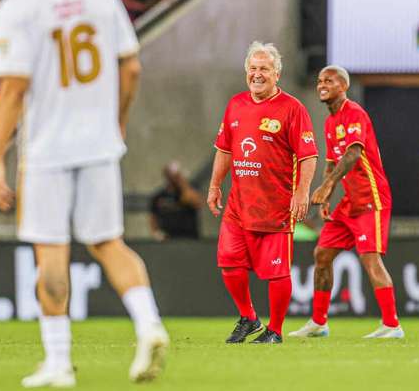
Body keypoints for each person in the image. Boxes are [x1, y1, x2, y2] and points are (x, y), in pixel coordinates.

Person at [0, 0, 167, 387]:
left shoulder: (18, 5)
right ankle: (148, 324)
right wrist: (119, 121)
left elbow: (13, 88)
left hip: (46, 148)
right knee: (109, 242)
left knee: (52, 254)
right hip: (99, 141)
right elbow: (132, 67)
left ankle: (59, 363)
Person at [207, 42, 318, 344]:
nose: (257, 74)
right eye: (253, 69)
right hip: (238, 205)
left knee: (277, 273)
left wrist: (301, 192)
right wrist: (216, 184)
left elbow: (308, 155)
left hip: (275, 205)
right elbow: (225, 149)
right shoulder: (236, 105)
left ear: (277, 74)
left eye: (264, 69)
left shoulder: (293, 109)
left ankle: (276, 330)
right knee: (229, 263)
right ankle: (249, 317)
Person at [289, 66, 402, 339]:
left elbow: (353, 153)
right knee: (322, 254)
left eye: (328, 80)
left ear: (343, 85)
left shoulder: (355, 113)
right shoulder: (330, 122)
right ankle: (318, 323)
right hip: (350, 201)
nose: (321, 85)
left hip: (371, 198)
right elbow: (332, 161)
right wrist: (329, 193)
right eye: (318, 81)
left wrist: (327, 185)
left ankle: (392, 325)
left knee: (370, 259)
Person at [149, 161, 203, 241]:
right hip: (168, 239)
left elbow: (197, 203)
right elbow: (153, 218)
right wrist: (156, 233)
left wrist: (181, 181)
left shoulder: (186, 192)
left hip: (189, 239)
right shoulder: (159, 196)